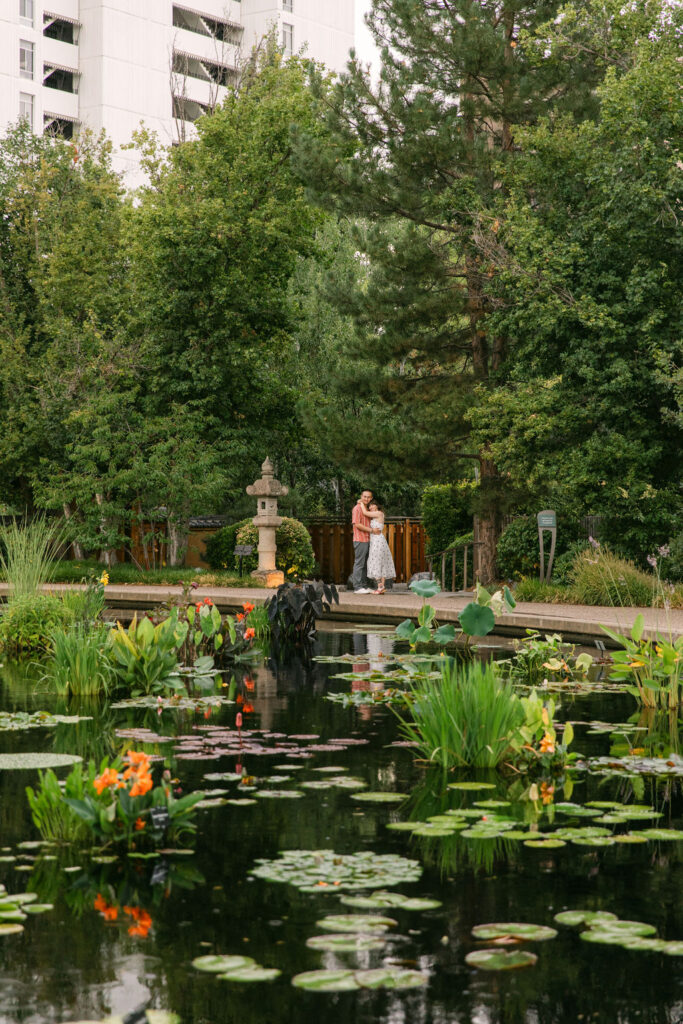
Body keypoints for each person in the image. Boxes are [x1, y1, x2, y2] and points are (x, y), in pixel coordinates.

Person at [366, 502, 396, 595]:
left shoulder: (379, 513)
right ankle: (381, 587)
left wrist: (361, 503)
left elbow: (365, 513)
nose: (370, 507)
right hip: (377, 540)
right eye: (369, 506)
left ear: (377, 506)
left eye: (372, 505)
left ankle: (380, 585)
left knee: (375, 561)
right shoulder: (374, 516)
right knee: (380, 562)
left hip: (377, 541)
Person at [351, 489, 374, 593]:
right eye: (364, 496)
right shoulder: (357, 508)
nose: (366, 498)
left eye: (368, 497)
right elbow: (356, 524)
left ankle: (364, 586)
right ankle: (357, 587)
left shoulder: (367, 509)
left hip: (369, 539)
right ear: (361, 496)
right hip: (360, 539)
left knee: (366, 564)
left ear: (371, 498)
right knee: (359, 563)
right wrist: (371, 530)